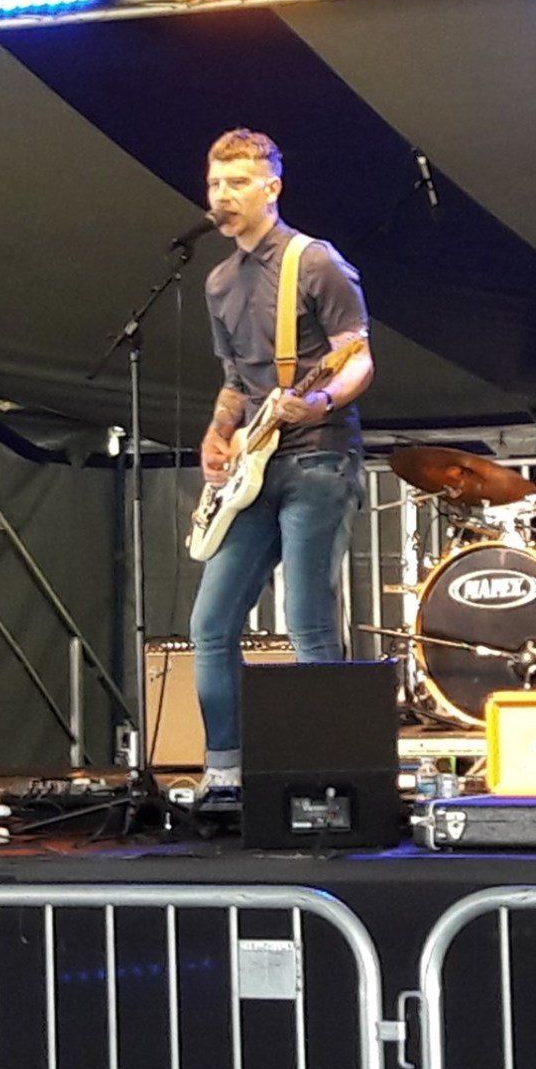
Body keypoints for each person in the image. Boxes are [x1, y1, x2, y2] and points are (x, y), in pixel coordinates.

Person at [188, 129, 375, 804]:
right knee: (210, 625)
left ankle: (326, 778)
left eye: (238, 182)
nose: (223, 196)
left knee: (307, 621)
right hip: (253, 469)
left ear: (272, 187)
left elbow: (357, 355)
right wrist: (218, 433)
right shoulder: (216, 281)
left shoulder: (313, 261)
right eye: (215, 184)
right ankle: (225, 775)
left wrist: (320, 398)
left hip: (319, 457)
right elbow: (236, 380)